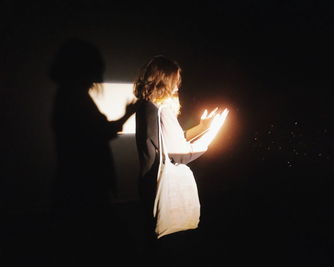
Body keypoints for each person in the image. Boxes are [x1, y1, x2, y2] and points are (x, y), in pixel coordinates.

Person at [49, 38, 139, 265]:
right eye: (96, 64)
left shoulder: (69, 95)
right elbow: (101, 132)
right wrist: (128, 114)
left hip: (78, 187)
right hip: (84, 188)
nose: (100, 70)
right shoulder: (74, 97)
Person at [134, 55, 228, 266]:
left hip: (149, 185)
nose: (178, 84)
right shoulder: (163, 110)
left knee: (154, 244)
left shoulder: (146, 107)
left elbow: (171, 140)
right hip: (163, 189)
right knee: (171, 249)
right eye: (176, 80)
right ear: (166, 80)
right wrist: (213, 134)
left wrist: (202, 128)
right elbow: (181, 153)